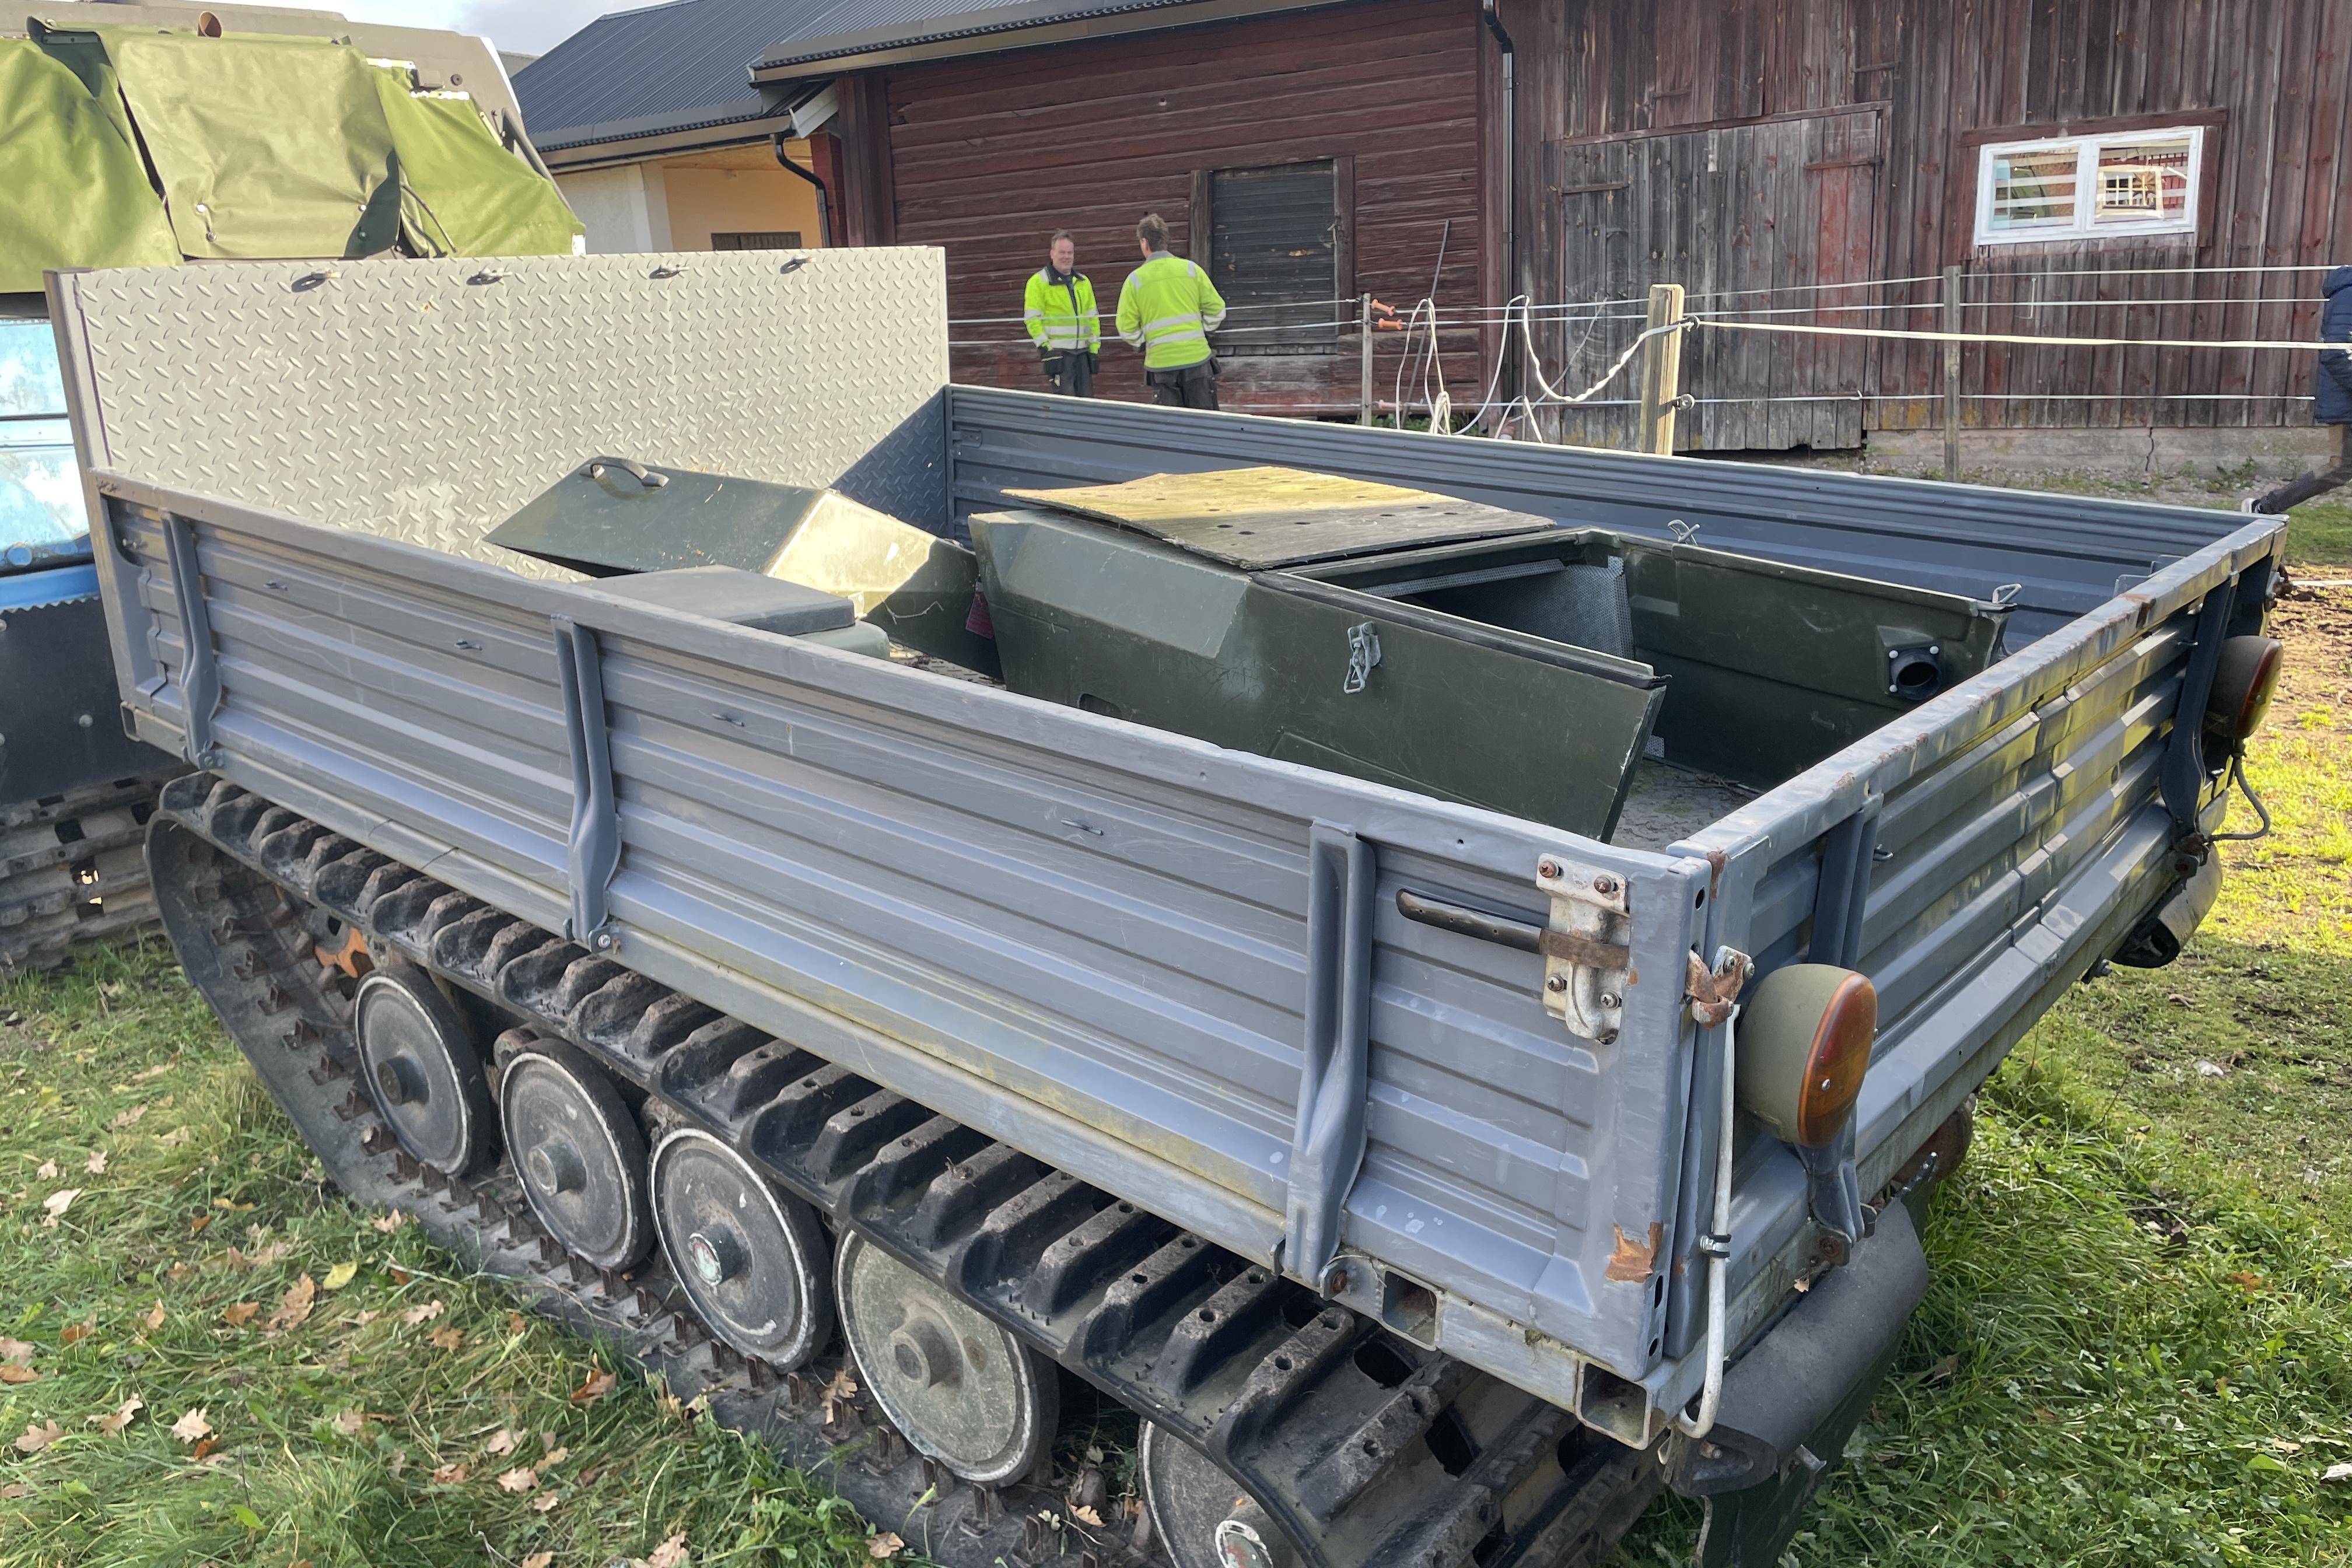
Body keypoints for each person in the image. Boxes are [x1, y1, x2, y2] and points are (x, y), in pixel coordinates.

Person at [2253, 264, 2352, 514]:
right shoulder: (2349, 294)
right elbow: (2336, 354)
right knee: (2340, 468)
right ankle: (2265, 507)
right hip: (2346, 402)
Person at [1115, 212, 1226, 410]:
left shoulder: (1135, 281)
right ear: (1166, 242)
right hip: (1197, 361)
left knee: (1172, 430)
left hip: (1161, 365)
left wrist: (1142, 343)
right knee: (1206, 426)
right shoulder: (1191, 270)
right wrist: (1204, 331)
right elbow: (1217, 310)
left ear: (1144, 243)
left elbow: (1125, 327)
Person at [1023, 230, 1100, 397]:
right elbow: (1032, 320)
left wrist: (1094, 349)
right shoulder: (1039, 282)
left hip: (1083, 355)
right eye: (1062, 252)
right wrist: (1046, 350)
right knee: (1065, 408)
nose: (1067, 257)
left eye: (1070, 252)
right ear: (1052, 254)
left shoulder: (1083, 282)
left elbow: (1093, 319)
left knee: (1087, 406)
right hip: (1059, 355)